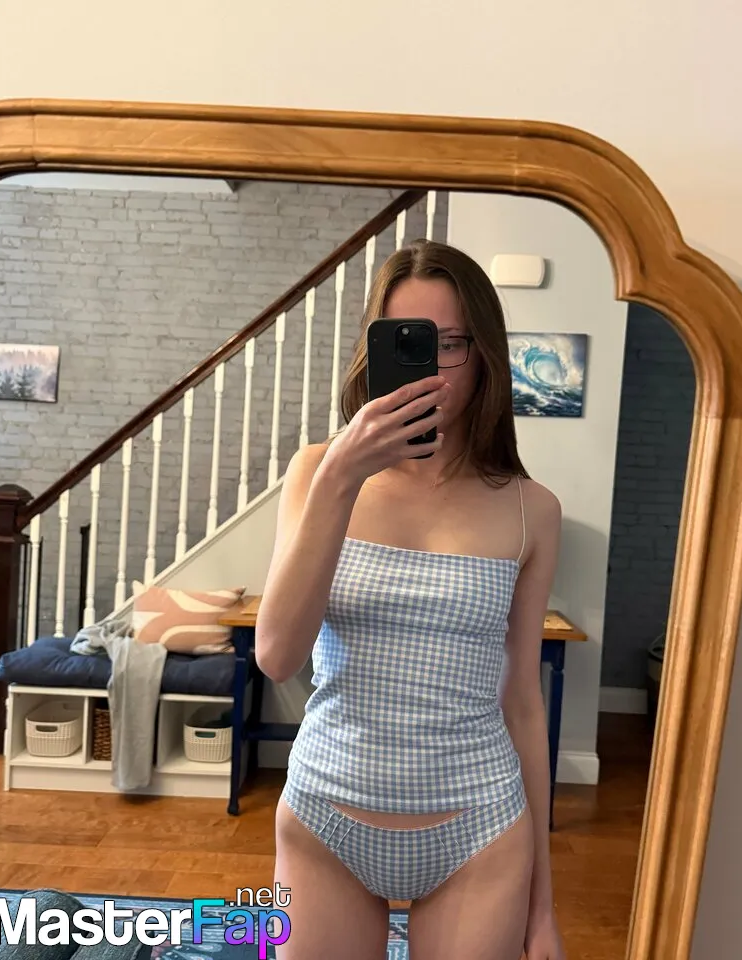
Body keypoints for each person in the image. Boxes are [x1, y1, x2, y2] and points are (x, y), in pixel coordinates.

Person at [255, 238, 565, 960]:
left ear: (484, 353)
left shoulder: (533, 510)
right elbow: (276, 655)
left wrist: (542, 907)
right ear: (374, 349)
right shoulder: (317, 472)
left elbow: (523, 701)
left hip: (479, 829)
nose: (430, 368)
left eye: (449, 344)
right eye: (406, 341)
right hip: (326, 816)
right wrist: (341, 477)